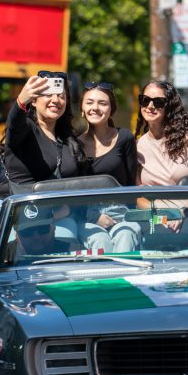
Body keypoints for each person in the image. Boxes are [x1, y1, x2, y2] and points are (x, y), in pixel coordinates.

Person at [0, 72, 85, 271]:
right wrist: (21, 100)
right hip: (9, 209)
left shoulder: (68, 139)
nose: (56, 100)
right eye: (48, 94)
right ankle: (9, 267)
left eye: (62, 96)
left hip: (50, 217)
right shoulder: (26, 128)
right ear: (35, 100)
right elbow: (14, 124)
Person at [136, 80, 188, 232]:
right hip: (155, 218)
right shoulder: (138, 145)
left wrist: (181, 213)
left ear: (169, 107)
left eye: (158, 102)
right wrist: (163, 216)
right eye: (145, 100)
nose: (150, 106)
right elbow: (137, 197)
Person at [77, 82, 139, 252]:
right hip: (88, 214)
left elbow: (132, 183)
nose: (95, 108)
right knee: (99, 240)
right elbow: (71, 188)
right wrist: (94, 217)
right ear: (82, 107)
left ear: (111, 109)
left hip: (121, 211)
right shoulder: (74, 144)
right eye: (89, 102)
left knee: (126, 235)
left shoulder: (124, 137)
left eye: (102, 103)